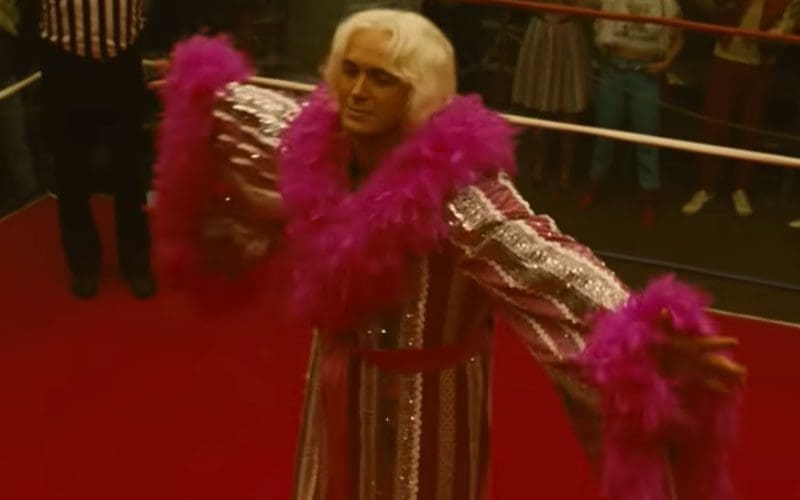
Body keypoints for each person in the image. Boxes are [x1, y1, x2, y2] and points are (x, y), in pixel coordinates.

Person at [155, 10, 746, 500]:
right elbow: (257, 117)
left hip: (427, 407)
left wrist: (642, 336)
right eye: (350, 71)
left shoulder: (460, 192)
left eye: (382, 78)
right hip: (336, 391)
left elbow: (544, 262)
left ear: (419, 91)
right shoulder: (318, 147)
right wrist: (200, 89)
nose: (358, 91)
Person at [28, 0, 156, 298]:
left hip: (121, 59)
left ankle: (136, 263)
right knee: (71, 167)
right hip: (65, 63)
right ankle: (84, 264)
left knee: (129, 168)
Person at [681, 0, 800, 217]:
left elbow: (790, 20)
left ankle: (740, 188)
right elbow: (708, 7)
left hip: (761, 63)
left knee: (749, 130)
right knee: (713, 126)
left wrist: (779, 32)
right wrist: (724, 12)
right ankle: (706, 186)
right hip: (727, 56)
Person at [580, 0, 684, 226]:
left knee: (647, 139)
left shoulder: (666, 4)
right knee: (605, 134)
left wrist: (664, 64)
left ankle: (649, 197)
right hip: (614, 70)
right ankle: (595, 184)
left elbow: (679, 38)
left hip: (645, 76)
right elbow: (595, 22)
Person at [512, 4, 591, 190]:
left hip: (569, 32)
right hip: (541, 30)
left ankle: (566, 169)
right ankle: (539, 163)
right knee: (539, 103)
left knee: (570, 105)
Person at [0, 0, 37, 209]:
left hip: (5, 77)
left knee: (17, 147)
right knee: (17, 148)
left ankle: (30, 199)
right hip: (7, 76)